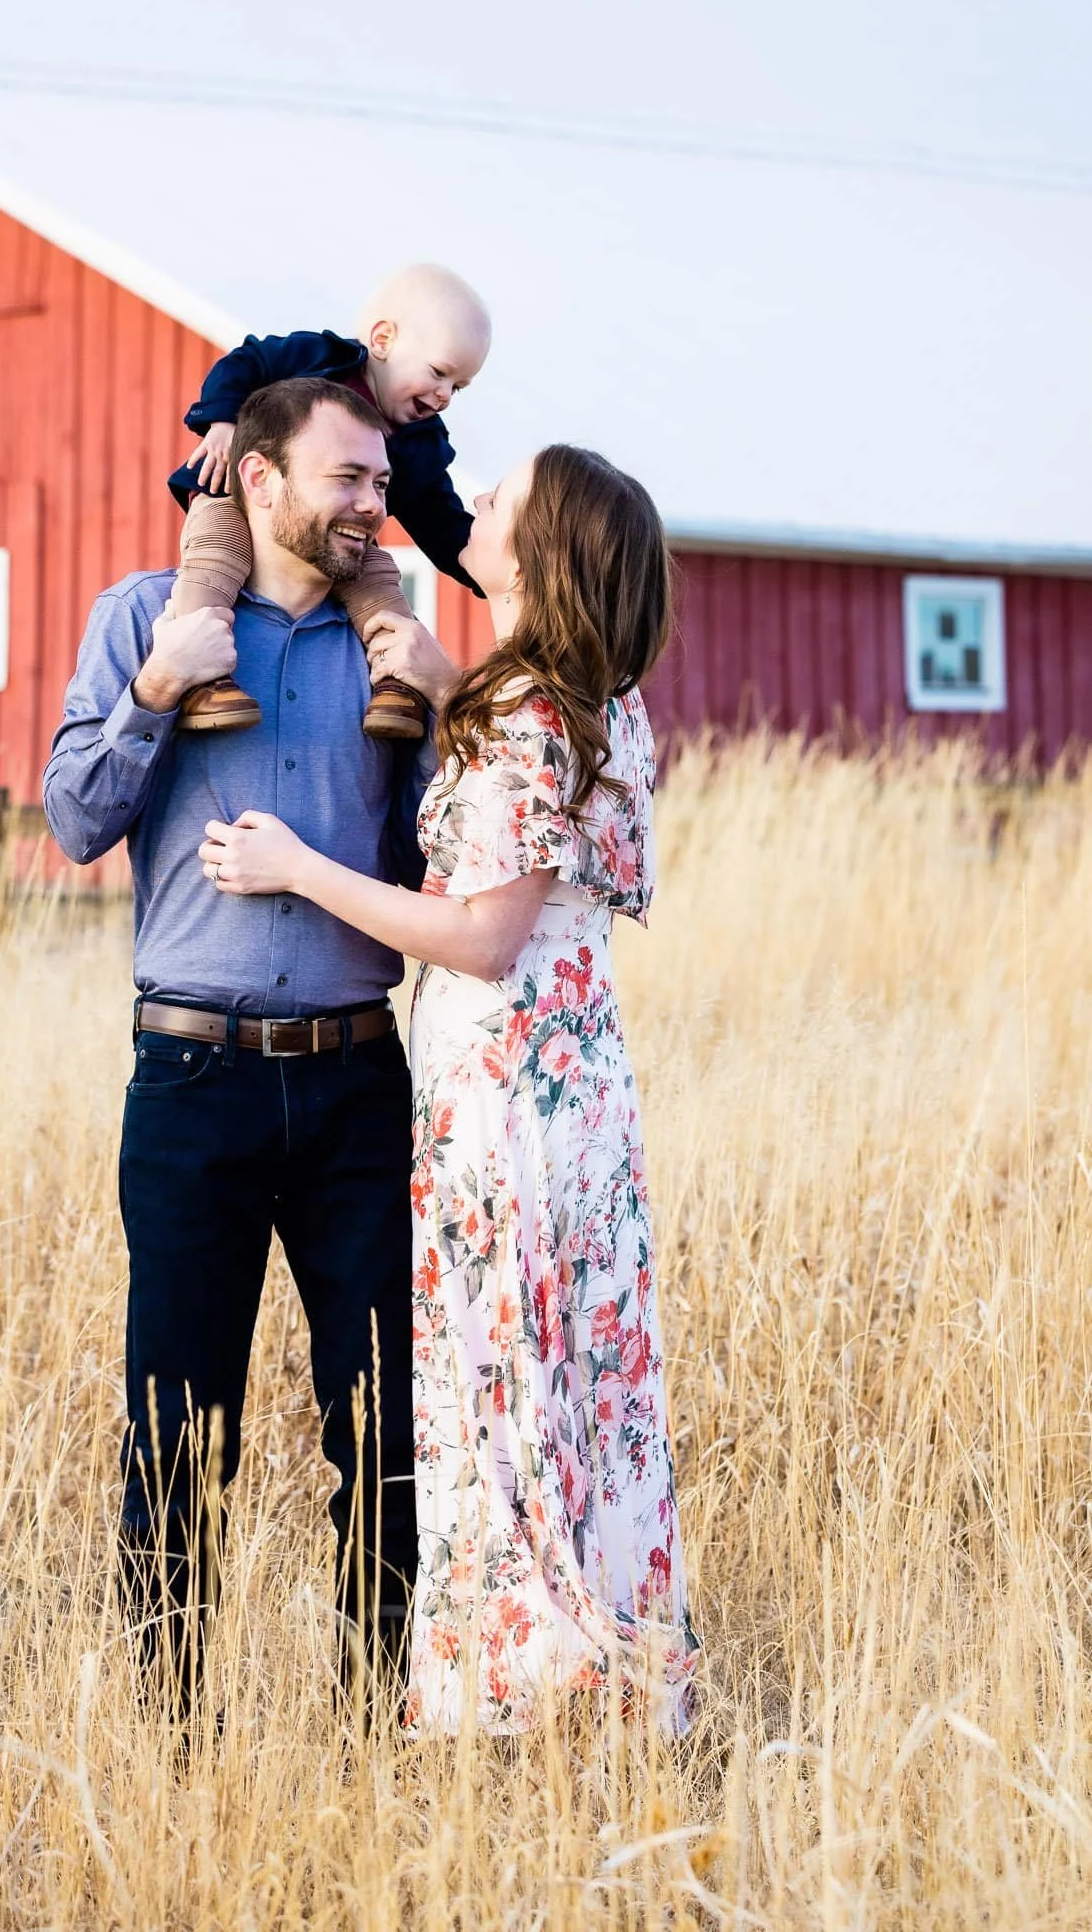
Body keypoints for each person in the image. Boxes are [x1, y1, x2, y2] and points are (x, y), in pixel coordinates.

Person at [200, 444, 700, 1736]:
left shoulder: (535, 714)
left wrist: (296, 866)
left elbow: (479, 932)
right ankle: (594, 1670)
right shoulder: (586, 699)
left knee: (505, 1382)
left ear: (536, 558)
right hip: (572, 1083)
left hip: (510, 1096)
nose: (468, 508)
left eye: (498, 504)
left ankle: (529, 1688)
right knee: (579, 1384)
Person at [42, 376, 461, 1723]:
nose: (371, 501)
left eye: (378, 479)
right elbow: (70, 818)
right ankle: (175, 1745)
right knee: (175, 1430)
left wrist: (451, 717)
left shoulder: (393, 644)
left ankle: (371, 1730)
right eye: (345, 477)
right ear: (259, 482)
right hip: (192, 1079)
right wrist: (159, 687)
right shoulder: (138, 619)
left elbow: (449, 860)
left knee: (386, 1427)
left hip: (357, 1080)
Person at [167, 262, 490, 741]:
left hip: (338, 541)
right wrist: (223, 421)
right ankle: (200, 678)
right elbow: (246, 362)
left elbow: (443, 524)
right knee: (215, 555)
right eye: (439, 373)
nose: (444, 395)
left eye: (458, 387)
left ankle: (398, 686)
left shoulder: (419, 443)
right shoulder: (316, 358)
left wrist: (496, 569)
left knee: (380, 581)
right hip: (231, 498)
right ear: (382, 341)